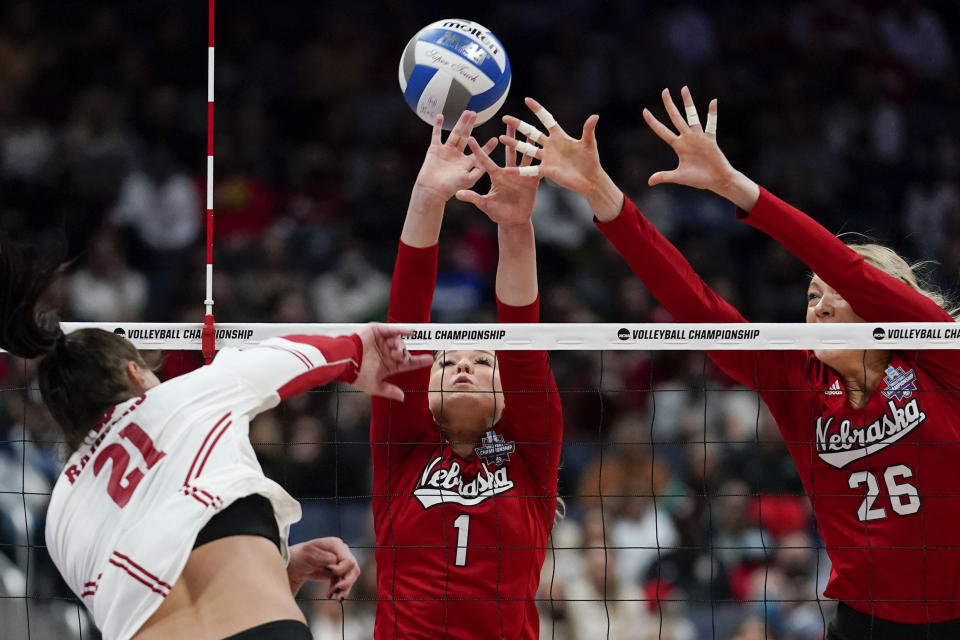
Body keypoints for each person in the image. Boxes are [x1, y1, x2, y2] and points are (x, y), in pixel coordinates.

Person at [497, 88, 960, 638]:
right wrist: (600, 190)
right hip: (865, 624)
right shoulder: (798, 381)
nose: (818, 305)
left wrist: (735, 187)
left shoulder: (940, 356)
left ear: (884, 304)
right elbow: (696, 306)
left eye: (831, 292)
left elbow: (848, 268)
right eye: (810, 297)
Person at [0, 233, 434, 640]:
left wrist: (281, 560)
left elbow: (146, 591)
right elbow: (299, 354)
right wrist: (362, 353)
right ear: (134, 372)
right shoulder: (186, 395)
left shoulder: (60, 511)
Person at [369, 110, 563, 639]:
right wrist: (427, 198)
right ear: (423, 392)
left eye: (482, 361)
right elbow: (406, 325)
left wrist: (516, 225)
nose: (460, 363)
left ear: (507, 400)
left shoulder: (530, 459)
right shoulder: (400, 451)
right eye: (447, 359)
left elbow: (522, 343)